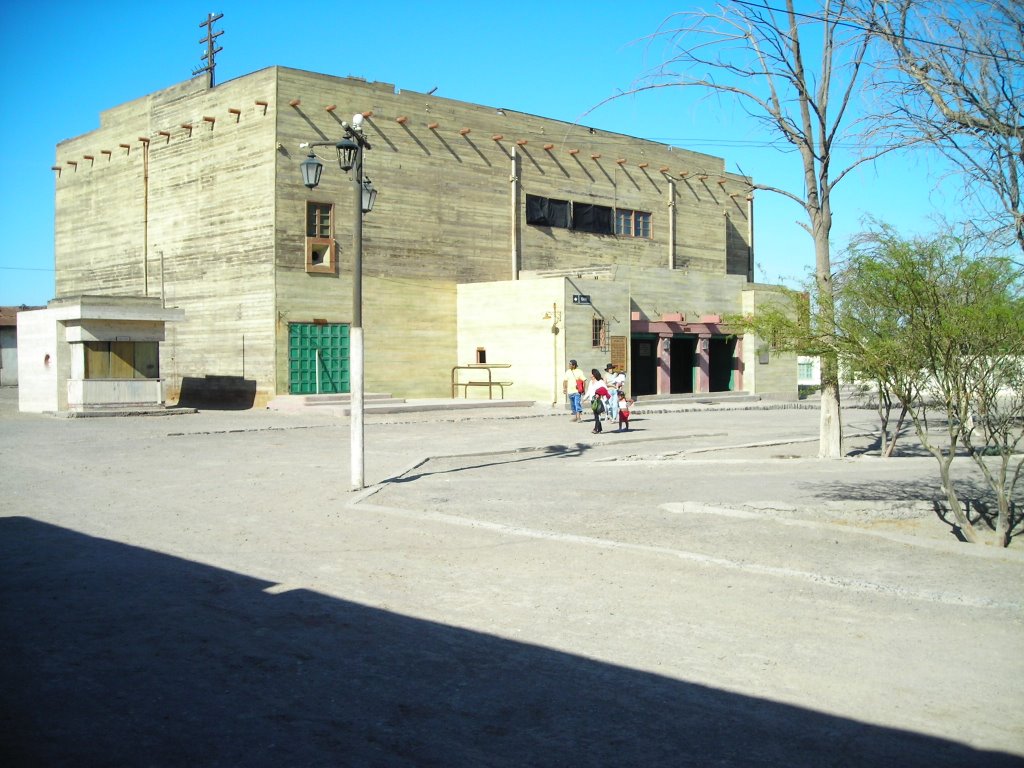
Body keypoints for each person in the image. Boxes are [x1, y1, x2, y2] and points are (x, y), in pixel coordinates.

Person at [583, 369, 610, 434]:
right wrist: (584, 398)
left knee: (597, 415)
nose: (590, 375)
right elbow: (589, 391)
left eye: (591, 373)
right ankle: (599, 429)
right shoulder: (590, 382)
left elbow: (605, 389)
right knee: (596, 415)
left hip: (598, 400)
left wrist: (599, 394)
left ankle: (596, 429)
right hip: (593, 400)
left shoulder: (600, 381)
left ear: (594, 374)